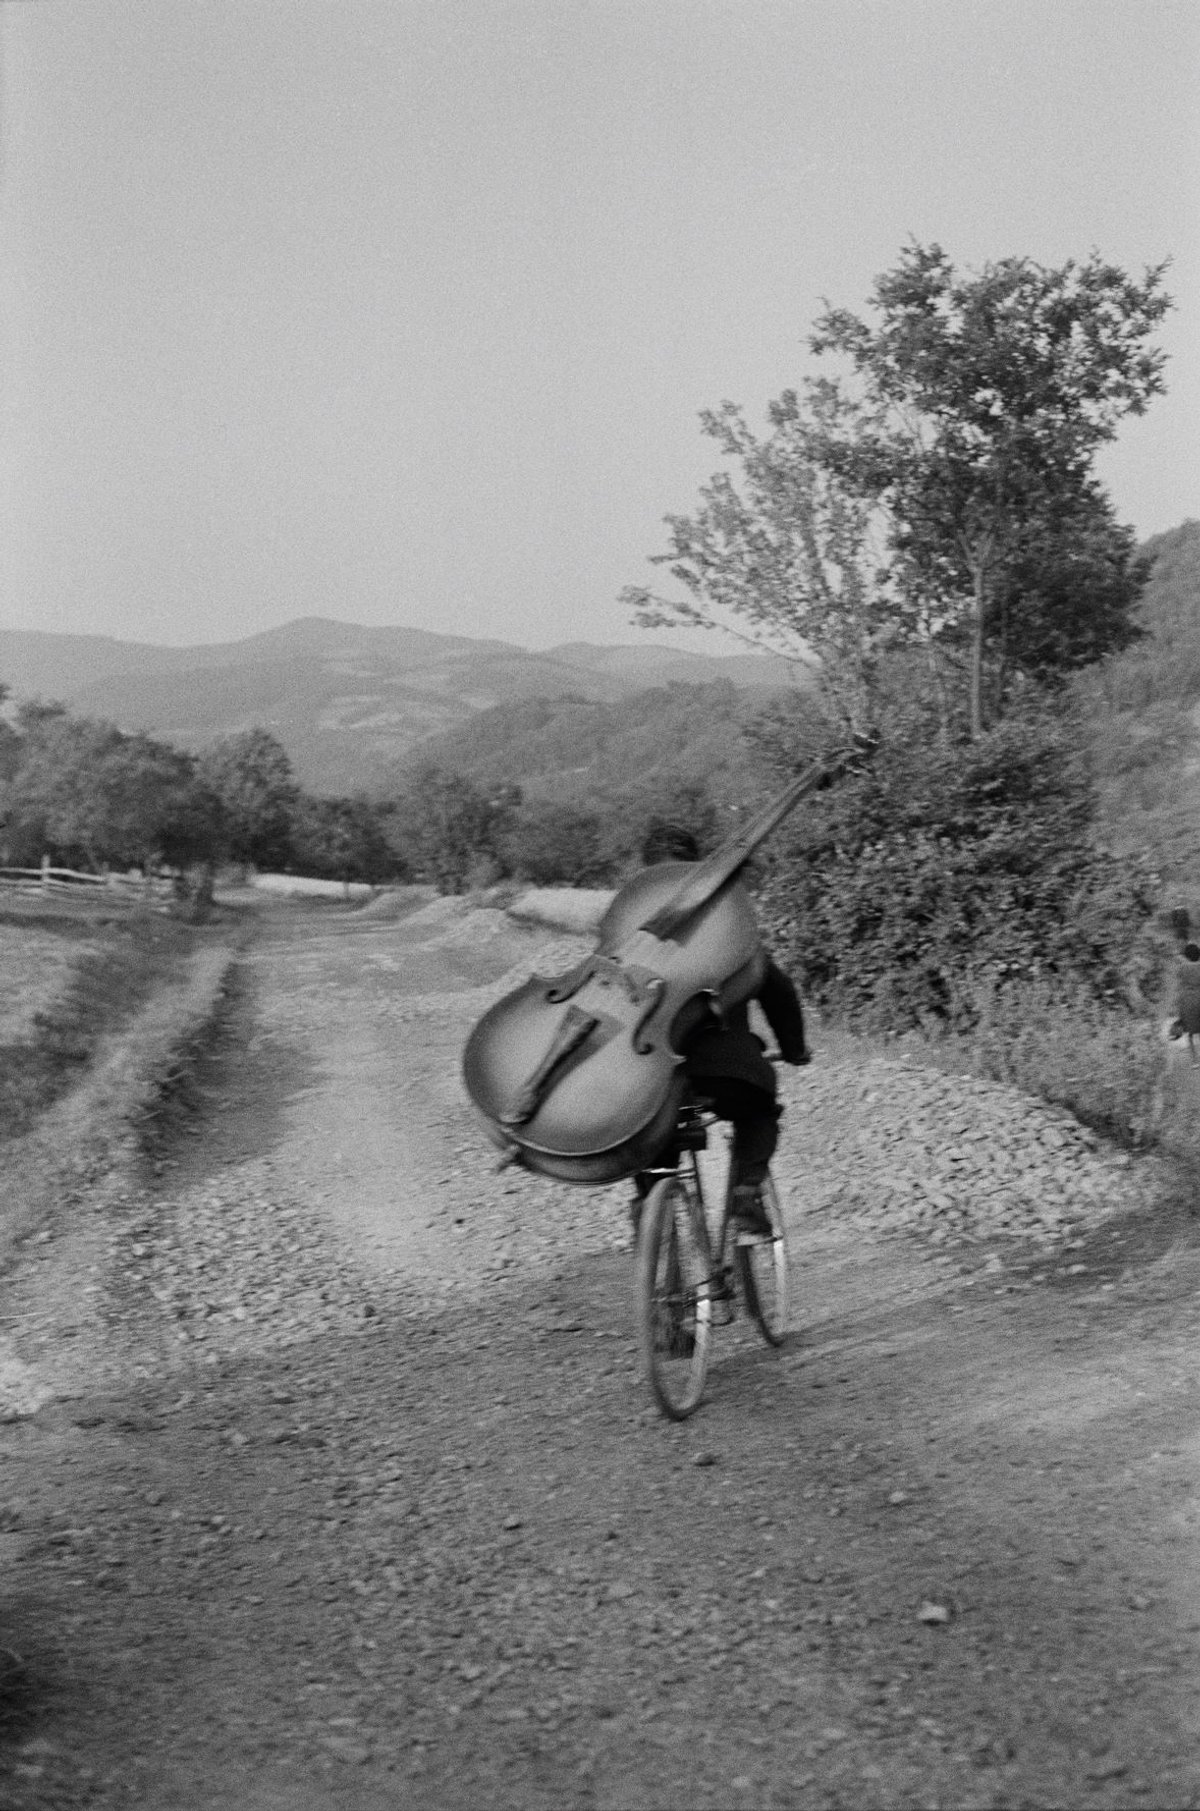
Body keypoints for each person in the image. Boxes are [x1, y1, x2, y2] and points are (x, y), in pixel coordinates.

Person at [632, 822, 810, 1236]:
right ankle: (746, 1191)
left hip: (652, 1074)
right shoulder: (724, 927)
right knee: (758, 1110)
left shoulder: (628, 930)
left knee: (645, 1126)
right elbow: (776, 988)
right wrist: (794, 1048)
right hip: (727, 1069)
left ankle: (648, 1201)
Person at [1173, 941, 1200, 1065]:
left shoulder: (1182, 968)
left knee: (1190, 1032)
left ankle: (1195, 1061)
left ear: (1186, 955)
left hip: (1186, 1000)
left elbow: (1179, 985)